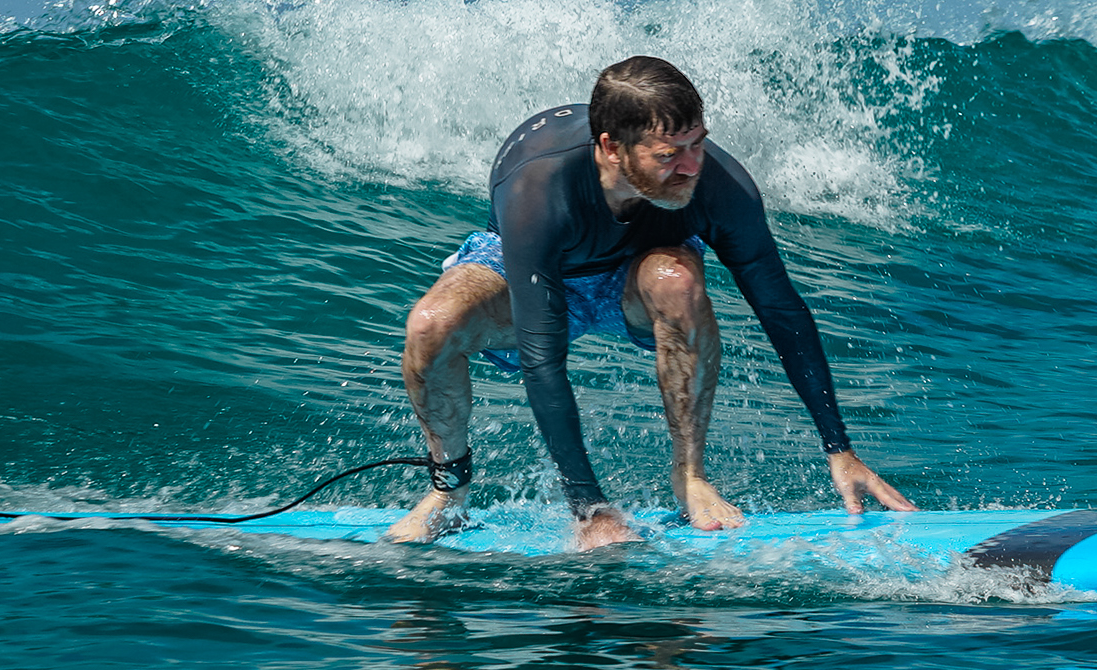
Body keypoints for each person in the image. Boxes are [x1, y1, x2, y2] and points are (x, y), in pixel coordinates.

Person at [383, 54, 912, 549]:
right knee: (432, 324)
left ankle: (690, 476)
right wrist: (590, 510)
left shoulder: (719, 186)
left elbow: (779, 307)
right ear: (612, 147)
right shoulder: (539, 186)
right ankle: (449, 491)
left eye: (698, 144)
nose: (690, 167)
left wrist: (838, 447)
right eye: (668, 155)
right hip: (535, 270)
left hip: (635, 277)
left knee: (677, 280)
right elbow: (542, 358)